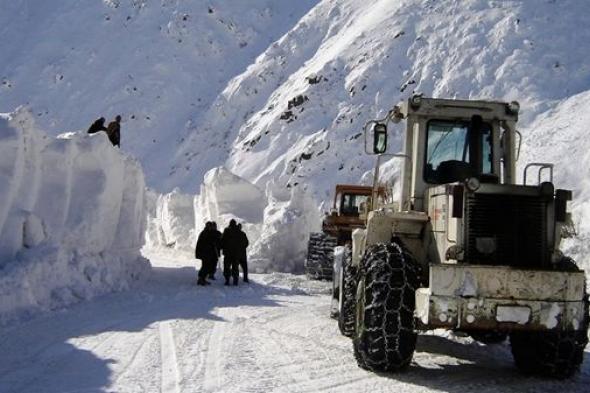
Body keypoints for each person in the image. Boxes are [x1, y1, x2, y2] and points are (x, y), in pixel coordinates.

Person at [195, 222, 218, 286]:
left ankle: (202, 279)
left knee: (206, 266)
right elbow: (207, 243)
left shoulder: (205, 232)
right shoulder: (206, 233)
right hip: (205, 253)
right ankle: (201, 279)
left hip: (206, 253)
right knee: (205, 266)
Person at [221, 219, 242, 286]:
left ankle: (227, 280)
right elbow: (243, 242)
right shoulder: (238, 231)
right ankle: (235, 281)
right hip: (236, 253)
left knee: (227, 267)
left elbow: (222, 240)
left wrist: (221, 247)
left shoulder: (226, 230)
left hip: (228, 253)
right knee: (235, 267)